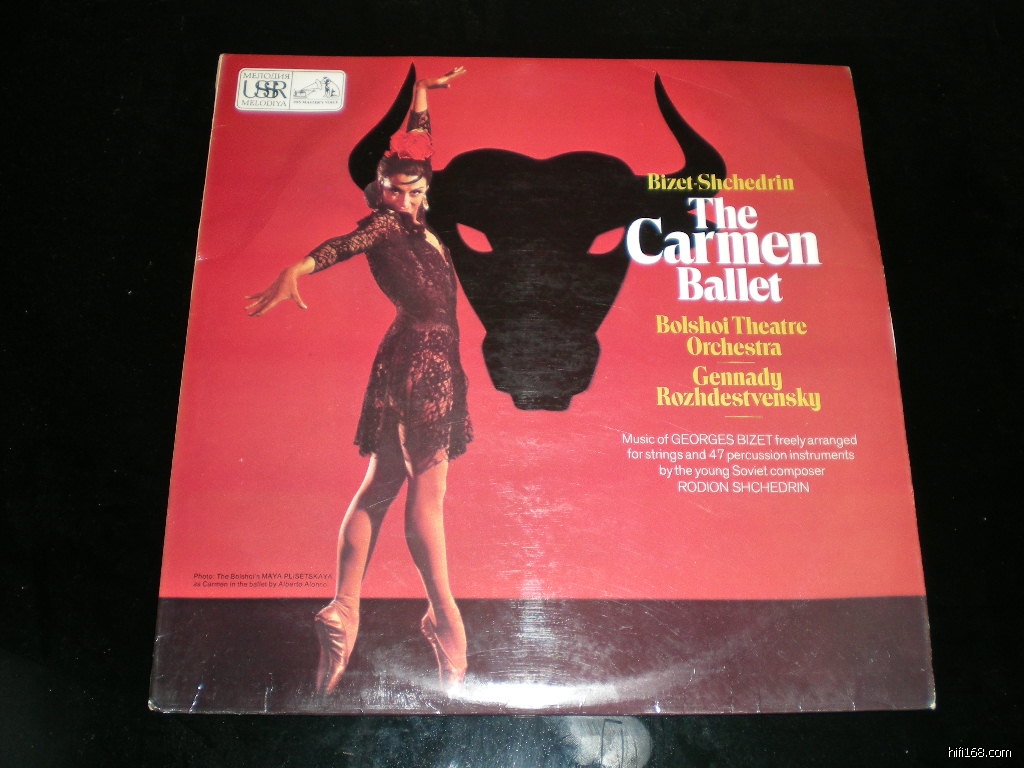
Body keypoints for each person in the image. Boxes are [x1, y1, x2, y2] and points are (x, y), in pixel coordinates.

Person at [245, 66, 470, 696]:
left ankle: (343, 608)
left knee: (382, 480)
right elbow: (346, 242)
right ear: (381, 188)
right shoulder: (387, 225)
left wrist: (421, 97)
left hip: (409, 357)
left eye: (412, 187)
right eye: (393, 188)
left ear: (424, 185)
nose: (403, 197)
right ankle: (445, 615)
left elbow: (419, 146)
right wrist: (299, 267)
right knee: (428, 491)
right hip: (423, 362)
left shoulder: (416, 218)